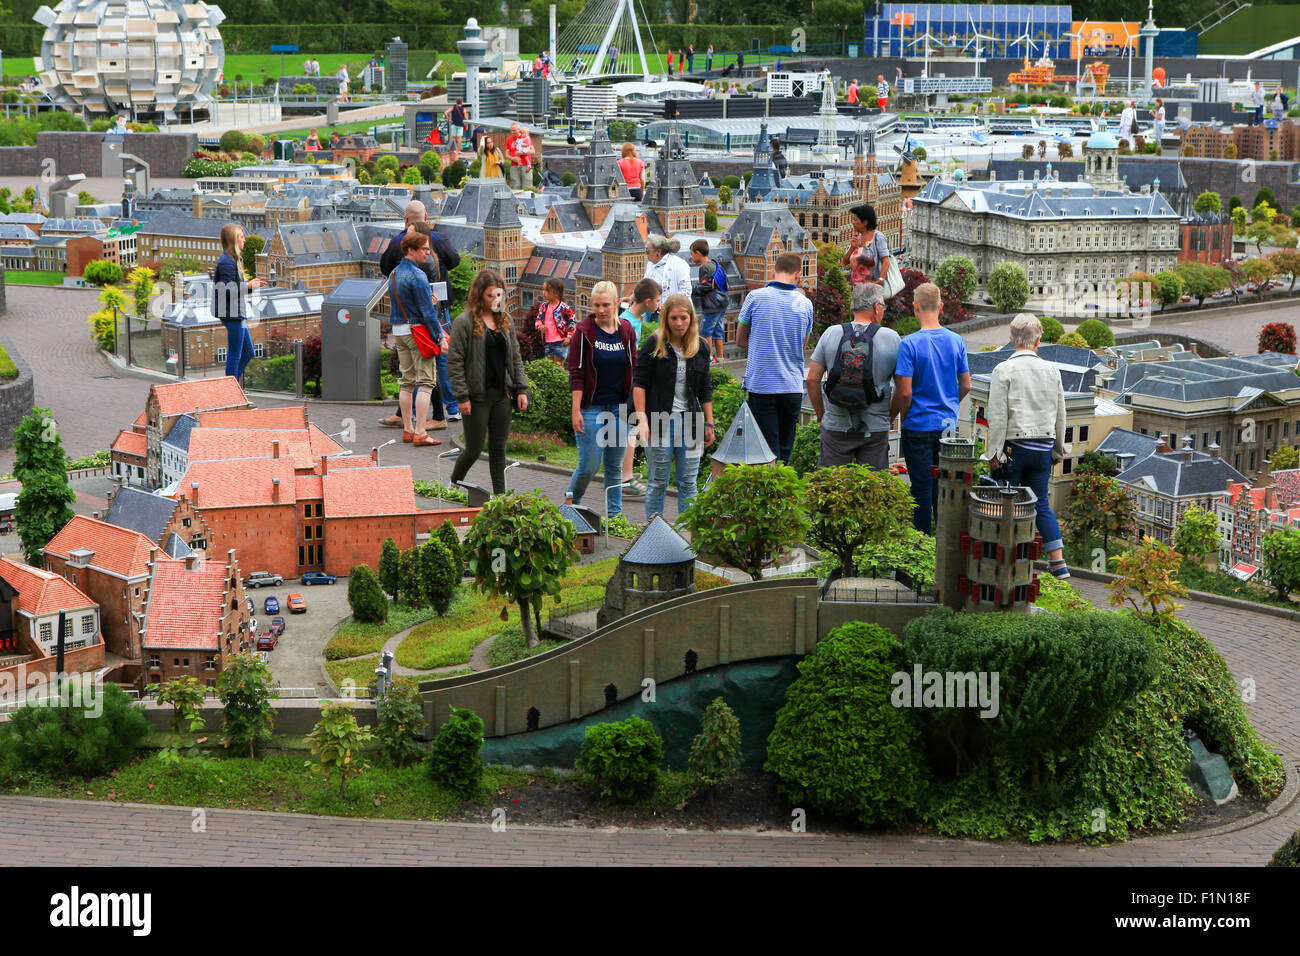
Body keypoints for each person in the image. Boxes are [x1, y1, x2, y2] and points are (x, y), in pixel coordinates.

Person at [981, 314, 1070, 579]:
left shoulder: (1003, 370)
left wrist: (993, 453)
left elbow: (997, 416)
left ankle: (1009, 560)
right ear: (1038, 341)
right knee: (1040, 503)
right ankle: (1058, 563)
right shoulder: (1052, 370)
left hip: (1013, 449)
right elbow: (1061, 414)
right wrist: (1058, 449)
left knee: (1008, 504)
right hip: (1043, 448)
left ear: (1011, 340)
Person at [890, 282, 971, 534]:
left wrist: (892, 417)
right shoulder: (956, 341)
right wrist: (948, 405)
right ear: (941, 307)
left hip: (918, 425)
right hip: (947, 427)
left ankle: (921, 543)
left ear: (915, 308)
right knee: (943, 486)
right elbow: (966, 385)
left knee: (920, 487)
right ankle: (943, 543)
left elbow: (904, 392)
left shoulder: (909, 344)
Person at [447, 269, 531, 494]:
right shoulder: (464, 322)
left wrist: (522, 389)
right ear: (479, 295)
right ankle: (454, 483)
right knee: (473, 449)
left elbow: (515, 357)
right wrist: (461, 396)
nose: (496, 300)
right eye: (491, 296)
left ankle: (501, 497)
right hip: (476, 397)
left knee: (498, 450)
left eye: (500, 295)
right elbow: (454, 362)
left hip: (501, 395)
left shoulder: (506, 320)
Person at [380, 201, 462, 427]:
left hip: (412, 317)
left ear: (406, 219)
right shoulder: (439, 239)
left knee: (416, 370)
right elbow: (455, 260)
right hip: (436, 309)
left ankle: (420, 419)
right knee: (436, 361)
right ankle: (448, 410)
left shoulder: (400, 242)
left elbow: (385, 267)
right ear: (426, 216)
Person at [635, 294, 714, 521]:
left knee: (689, 483)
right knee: (658, 482)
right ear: (666, 319)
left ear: (691, 318)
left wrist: (709, 423)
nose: (679, 323)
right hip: (659, 421)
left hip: (691, 422)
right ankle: (653, 535)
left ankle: (687, 539)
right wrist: (642, 421)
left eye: (683, 318)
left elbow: (705, 389)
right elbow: (639, 384)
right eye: (674, 318)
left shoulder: (701, 348)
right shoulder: (654, 344)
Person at [806, 282, 899, 468]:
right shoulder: (892, 338)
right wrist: (888, 417)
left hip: (836, 425)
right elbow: (904, 391)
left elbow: (812, 380)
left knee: (833, 487)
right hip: (874, 427)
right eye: (882, 306)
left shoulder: (831, 333)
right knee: (873, 489)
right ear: (875, 308)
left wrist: (821, 416)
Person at [567, 280, 638, 518]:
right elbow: (576, 373)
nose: (601, 310)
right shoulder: (584, 333)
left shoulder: (626, 331)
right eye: (596, 305)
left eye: (606, 305)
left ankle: (615, 517)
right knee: (588, 465)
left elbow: (634, 368)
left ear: (617, 303)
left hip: (619, 408)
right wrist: (576, 410)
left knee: (614, 466)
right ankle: (570, 505)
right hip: (591, 407)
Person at [737, 252, 813, 464]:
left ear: (773, 271)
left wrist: (762, 346)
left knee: (764, 452)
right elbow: (802, 345)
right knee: (784, 453)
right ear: (798, 276)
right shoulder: (806, 304)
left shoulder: (755, 297)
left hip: (762, 384)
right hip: (792, 386)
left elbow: (740, 339)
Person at [389, 231, 449, 447]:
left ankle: (408, 429)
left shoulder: (394, 273)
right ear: (411, 250)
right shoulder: (418, 275)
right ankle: (421, 432)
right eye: (424, 249)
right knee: (426, 381)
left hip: (399, 331)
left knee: (407, 381)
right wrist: (440, 337)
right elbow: (426, 313)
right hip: (418, 332)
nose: (428, 253)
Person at [618, 278, 663, 496]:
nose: (659, 304)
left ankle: (624, 471)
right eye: (657, 300)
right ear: (647, 301)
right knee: (630, 428)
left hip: (629, 379)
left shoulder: (630, 317)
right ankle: (625, 477)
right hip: (627, 382)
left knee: (631, 428)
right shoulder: (628, 323)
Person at [213, 224, 266, 384]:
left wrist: (250, 285)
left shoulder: (232, 260)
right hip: (232, 315)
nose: (244, 240)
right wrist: (249, 286)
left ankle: (233, 388)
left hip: (237, 313)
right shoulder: (227, 262)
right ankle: (231, 393)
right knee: (235, 356)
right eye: (241, 237)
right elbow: (226, 290)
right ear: (233, 240)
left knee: (248, 352)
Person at [689, 239, 727, 364]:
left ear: (698, 253)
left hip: (711, 304)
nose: (691, 257)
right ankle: (721, 358)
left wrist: (692, 289)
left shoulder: (705, 267)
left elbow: (706, 286)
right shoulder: (714, 264)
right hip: (721, 303)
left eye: (692, 254)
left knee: (706, 332)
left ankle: (709, 358)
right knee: (718, 332)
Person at [841, 203, 890, 286]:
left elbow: (886, 261)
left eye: (855, 220)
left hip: (872, 289)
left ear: (865, 222)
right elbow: (844, 262)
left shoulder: (878, 237)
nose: (853, 223)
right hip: (857, 289)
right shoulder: (857, 237)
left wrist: (881, 280)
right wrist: (852, 248)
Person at [536, 277, 576, 362]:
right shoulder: (543, 306)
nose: (544, 293)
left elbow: (572, 322)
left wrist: (569, 337)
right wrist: (540, 326)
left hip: (560, 342)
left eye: (547, 290)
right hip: (548, 342)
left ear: (556, 293)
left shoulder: (564, 307)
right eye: (543, 290)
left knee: (558, 366)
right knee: (549, 367)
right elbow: (538, 320)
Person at [505, 123, 535, 189]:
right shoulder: (509, 140)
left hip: (526, 165)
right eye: (511, 130)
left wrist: (521, 153)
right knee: (515, 185)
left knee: (527, 185)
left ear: (519, 130)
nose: (512, 132)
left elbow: (533, 151)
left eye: (514, 130)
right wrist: (512, 158)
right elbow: (506, 154)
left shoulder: (526, 137)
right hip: (514, 165)